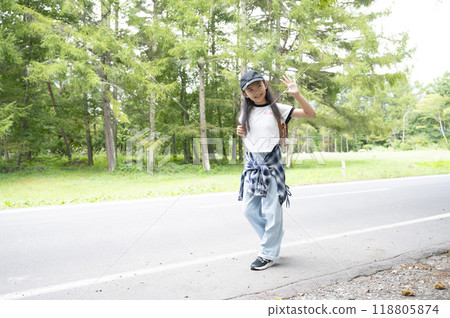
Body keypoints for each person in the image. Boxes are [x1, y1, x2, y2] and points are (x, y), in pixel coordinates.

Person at [236, 70, 316, 270]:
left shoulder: (277, 109)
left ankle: (268, 253)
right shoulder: (244, 113)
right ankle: (273, 239)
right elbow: (251, 138)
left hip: (270, 163)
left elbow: (310, 113)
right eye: (250, 89)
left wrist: (296, 93)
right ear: (245, 94)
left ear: (265, 85)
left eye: (258, 86)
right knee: (249, 210)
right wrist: (240, 132)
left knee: (272, 211)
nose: (256, 92)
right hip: (252, 165)